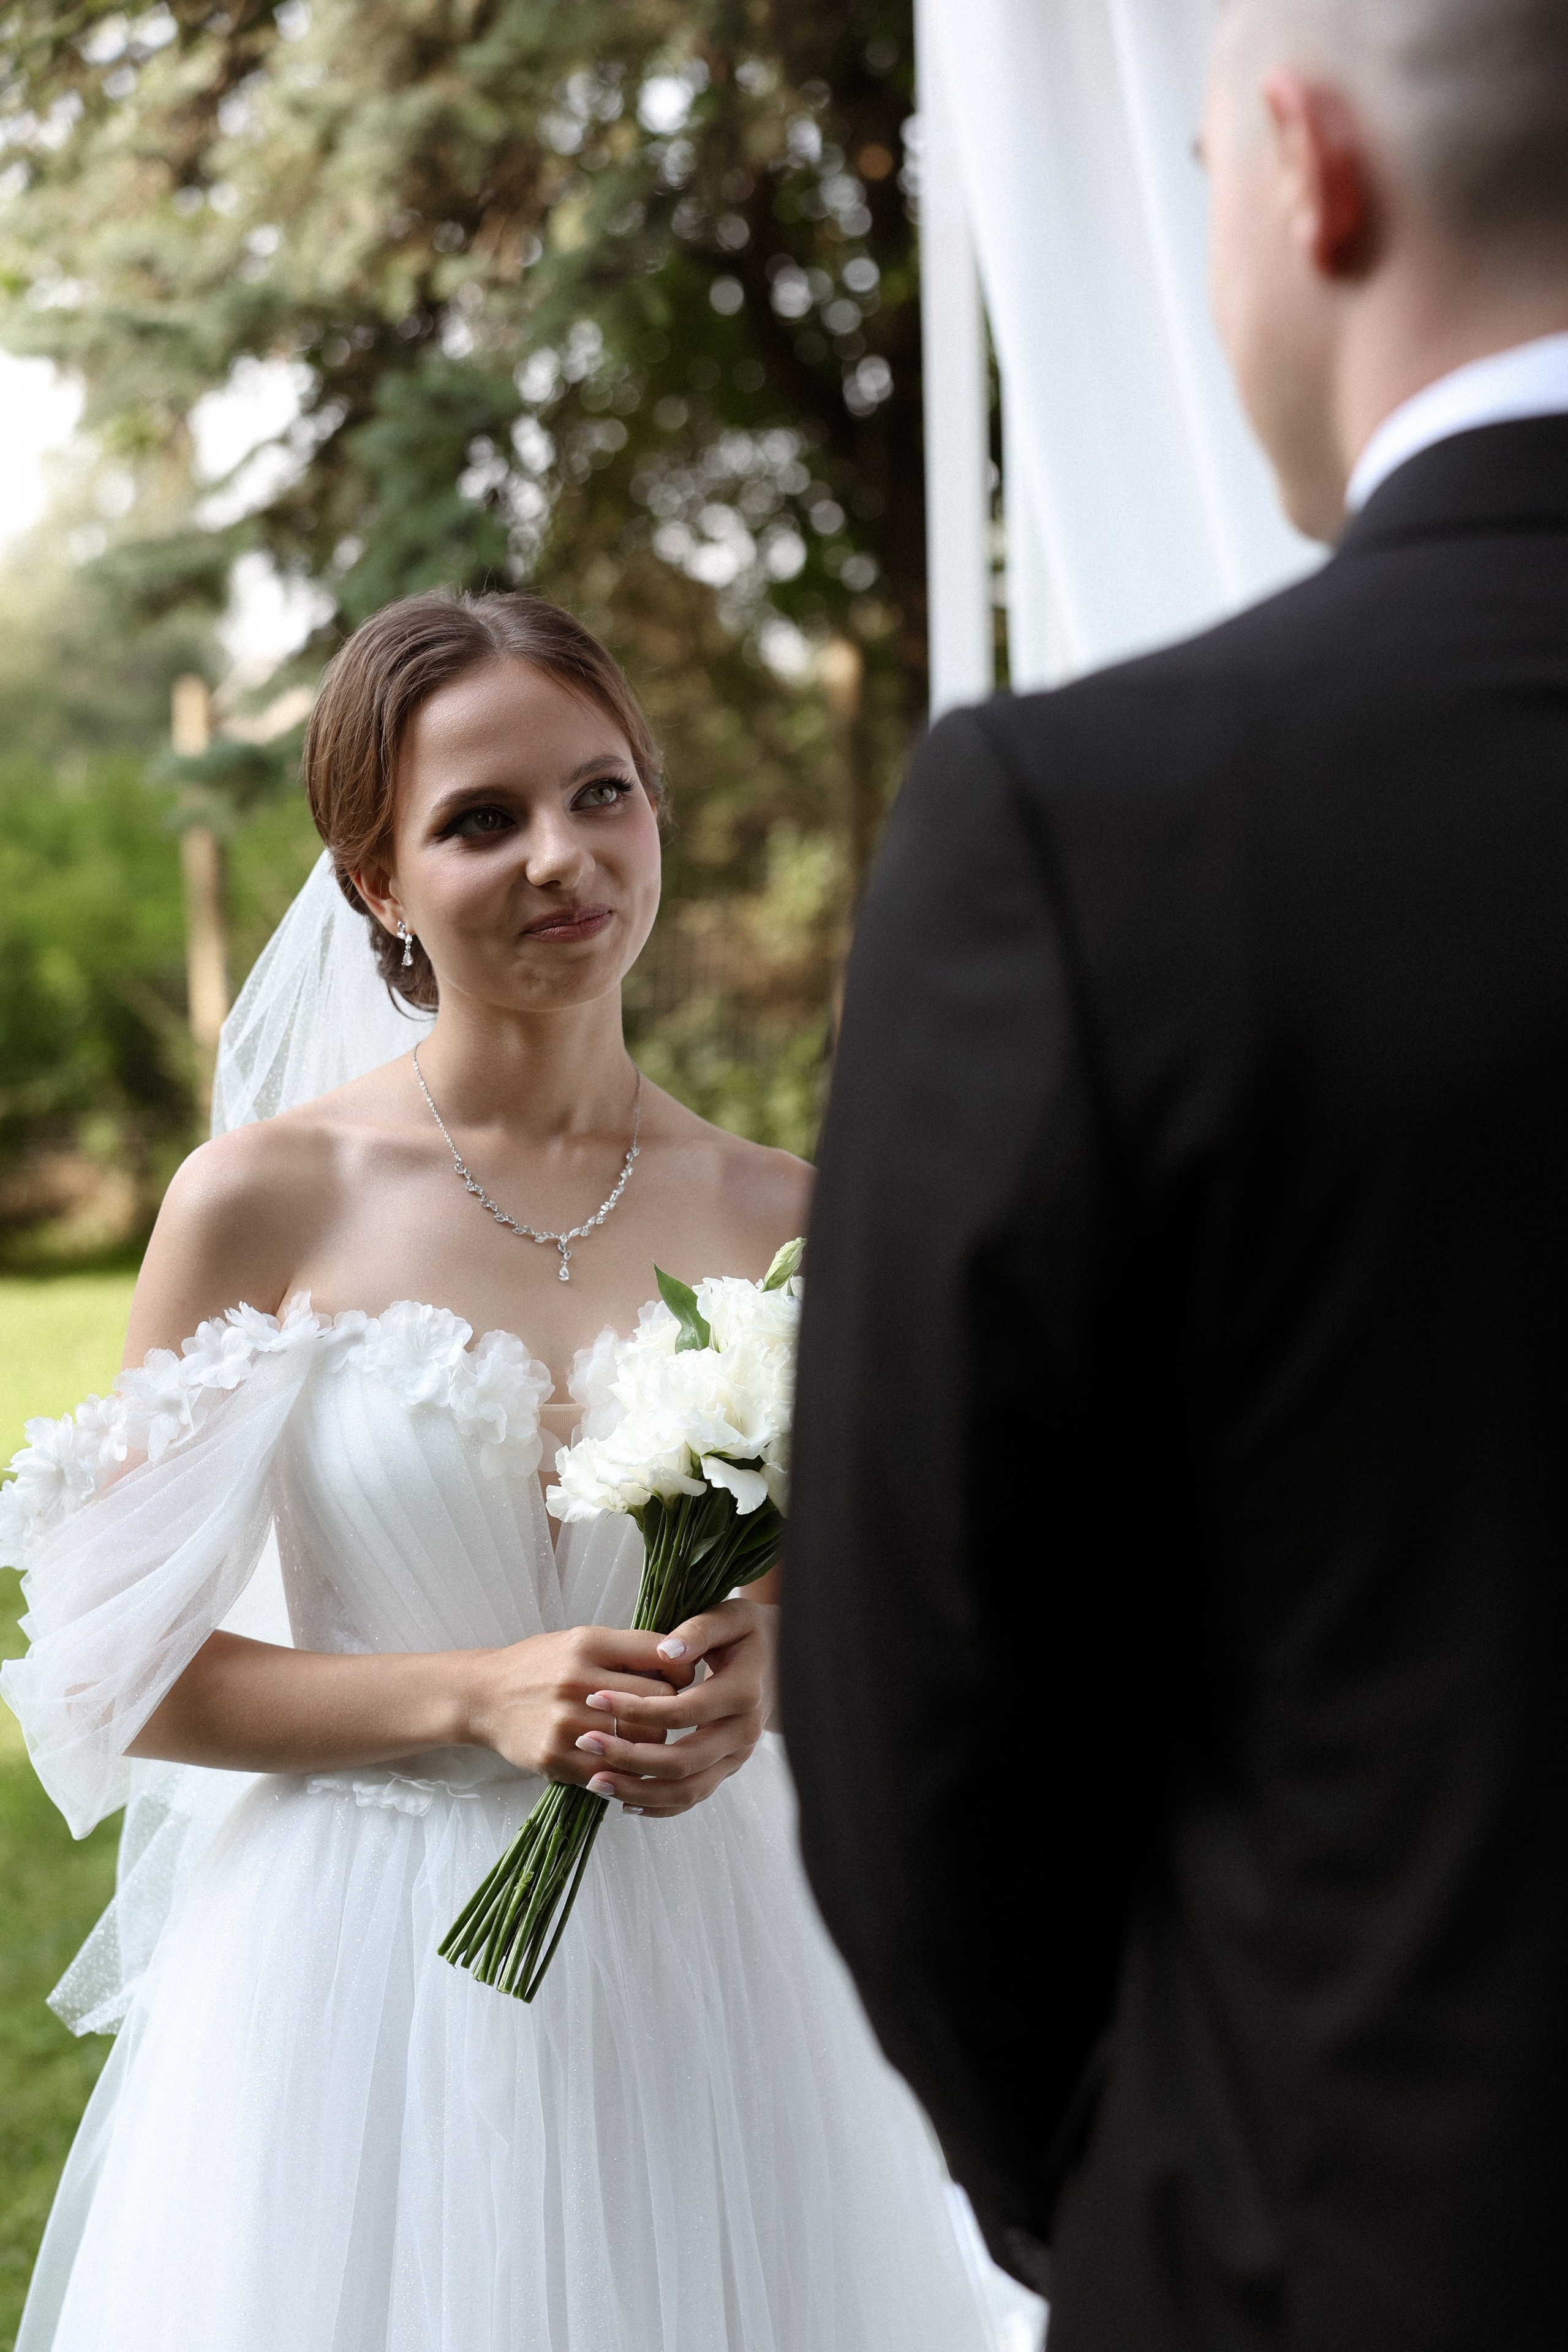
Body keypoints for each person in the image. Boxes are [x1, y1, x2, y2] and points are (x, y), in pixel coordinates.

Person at [782, 2, 1568, 2346]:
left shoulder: (1090, 829)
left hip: (1366, 2246)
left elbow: (926, 1723)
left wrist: (1146, 2181)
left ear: (1308, 174)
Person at [0, 591, 1021, 2352]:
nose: (565, 857)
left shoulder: (793, 1212)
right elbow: (111, 1672)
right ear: (377, 881)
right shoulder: (265, 1198)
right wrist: (475, 1696)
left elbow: (906, 1596)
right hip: (359, 1976)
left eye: (602, 792)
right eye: (481, 821)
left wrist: (784, 1667)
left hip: (723, 1958)